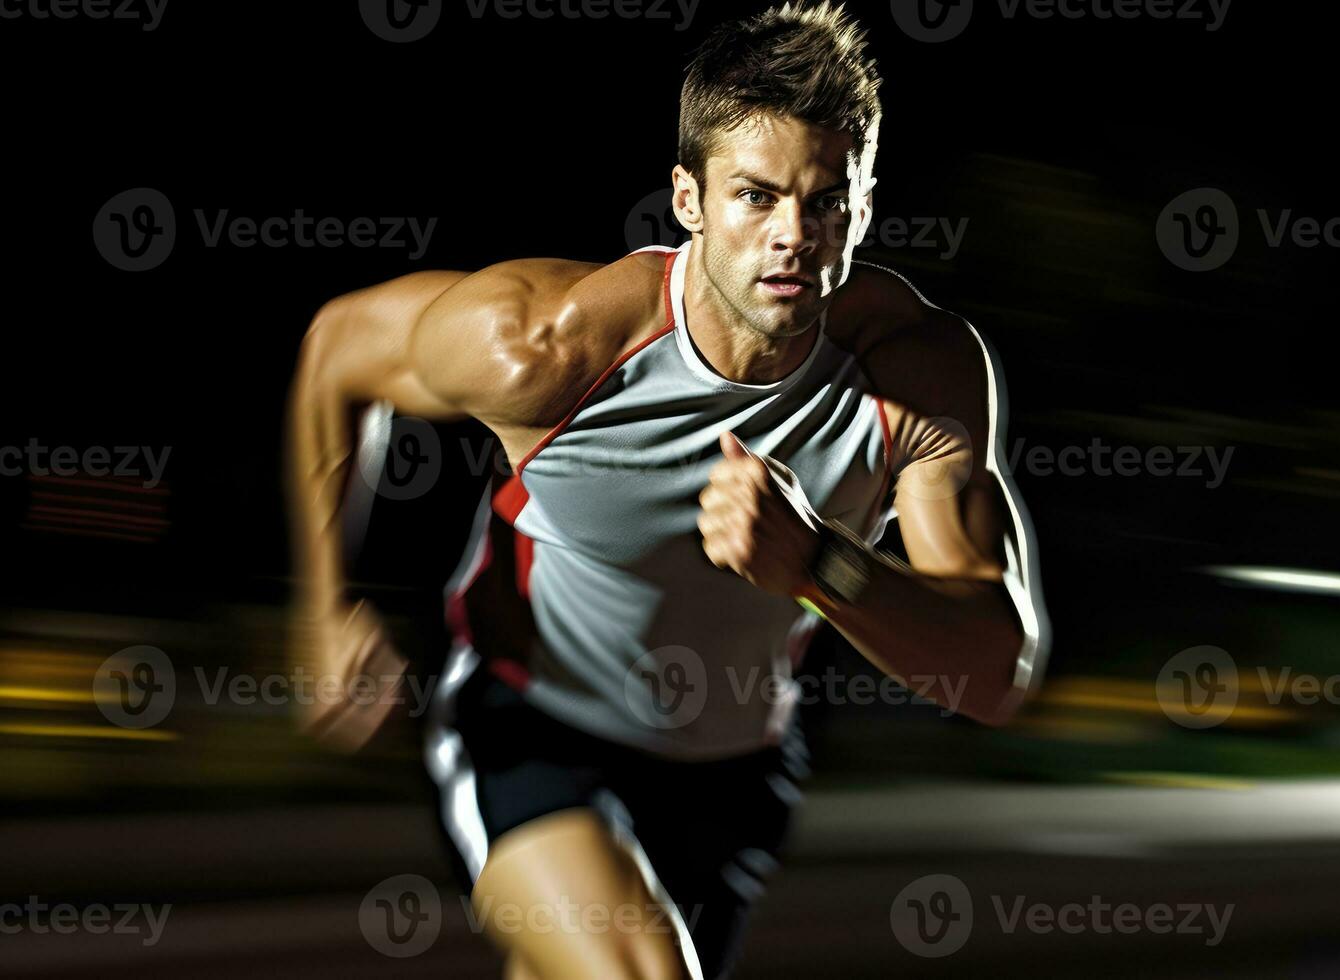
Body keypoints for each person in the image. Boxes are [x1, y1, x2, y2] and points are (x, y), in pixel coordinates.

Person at [284, 3, 1049, 977]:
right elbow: (335, 352)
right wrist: (322, 601)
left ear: (860, 202)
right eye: (756, 196)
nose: (793, 237)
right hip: (532, 720)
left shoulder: (915, 372)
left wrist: (822, 563)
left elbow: (993, 670)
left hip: (734, 768)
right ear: (688, 198)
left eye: (825, 203)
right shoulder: (546, 348)